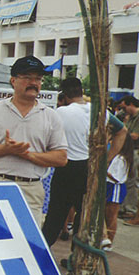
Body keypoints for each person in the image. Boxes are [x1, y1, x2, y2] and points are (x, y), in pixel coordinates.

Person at [0, 56, 68, 222]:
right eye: (27, 77)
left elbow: (61, 158)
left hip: (30, 189)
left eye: (38, 78)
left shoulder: (51, 116)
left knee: (28, 237)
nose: (33, 83)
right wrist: (5, 149)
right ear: (13, 80)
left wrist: (28, 155)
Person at [42, 77, 125, 245]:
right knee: (83, 214)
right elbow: (122, 131)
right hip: (89, 167)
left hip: (67, 166)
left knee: (55, 215)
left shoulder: (61, 112)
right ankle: (77, 253)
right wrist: (106, 159)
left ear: (64, 95)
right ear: (82, 92)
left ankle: (43, 251)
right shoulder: (100, 111)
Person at [103, 136, 134, 250]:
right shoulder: (117, 156)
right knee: (106, 213)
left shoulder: (122, 159)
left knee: (112, 215)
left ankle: (110, 241)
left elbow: (116, 177)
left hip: (115, 187)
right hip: (109, 185)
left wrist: (104, 170)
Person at [120, 96, 139, 225]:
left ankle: (132, 209)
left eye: (124, 107)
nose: (124, 110)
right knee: (129, 180)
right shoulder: (131, 118)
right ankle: (126, 207)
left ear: (131, 104)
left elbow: (135, 135)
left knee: (133, 181)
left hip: (136, 150)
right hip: (129, 151)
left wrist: (122, 134)